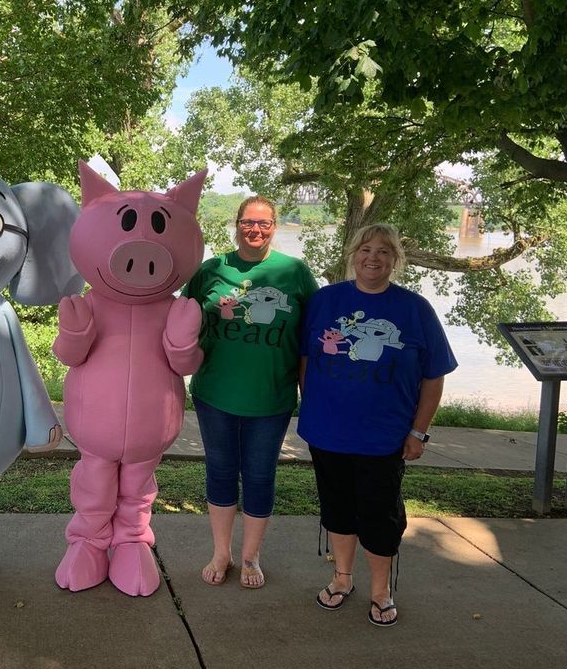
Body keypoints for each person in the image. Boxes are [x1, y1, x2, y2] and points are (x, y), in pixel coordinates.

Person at [298, 223, 457, 627]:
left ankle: (381, 590)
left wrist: (418, 431)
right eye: (365, 249)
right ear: (353, 254)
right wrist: (314, 405)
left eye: (384, 252)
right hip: (327, 431)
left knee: (380, 514)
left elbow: (433, 376)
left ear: (395, 260)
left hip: (384, 437)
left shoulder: (415, 309)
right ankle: (342, 578)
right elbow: (305, 359)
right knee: (337, 509)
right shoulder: (324, 301)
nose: (373, 257)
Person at [185, 196, 317, 588]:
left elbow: (313, 336)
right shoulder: (212, 270)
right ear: (236, 224)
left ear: (275, 226)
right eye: (248, 222)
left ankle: (251, 556)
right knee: (221, 471)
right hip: (215, 394)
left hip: (271, 397)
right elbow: (180, 324)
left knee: (260, 475)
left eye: (264, 223)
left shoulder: (294, 272)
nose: (255, 229)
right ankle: (221, 552)